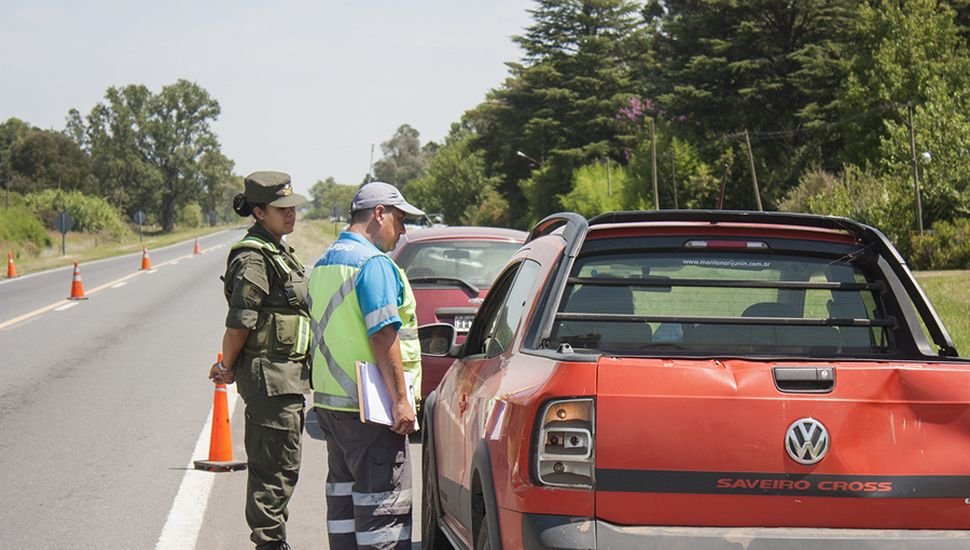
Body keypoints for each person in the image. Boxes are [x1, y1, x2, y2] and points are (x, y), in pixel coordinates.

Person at [308, 181, 424, 550]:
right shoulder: (373, 264)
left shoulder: (325, 262)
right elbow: (382, 336)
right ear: (379, 214)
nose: (403, 229)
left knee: (344, 509)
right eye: (400, 219)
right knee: (382, 516)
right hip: (371, 411)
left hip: (332, 408)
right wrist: (401, 401)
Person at [209, 171, 311, 550]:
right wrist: (226, 367)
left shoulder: (278, 250)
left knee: (283, 469)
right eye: (281, 208)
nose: (291, 213)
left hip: (287, 379)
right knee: (274, 473)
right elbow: (240, 322)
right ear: (258, 212)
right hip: (271, 380)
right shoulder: (253, 256)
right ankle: (269, 544)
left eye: (292, 207)